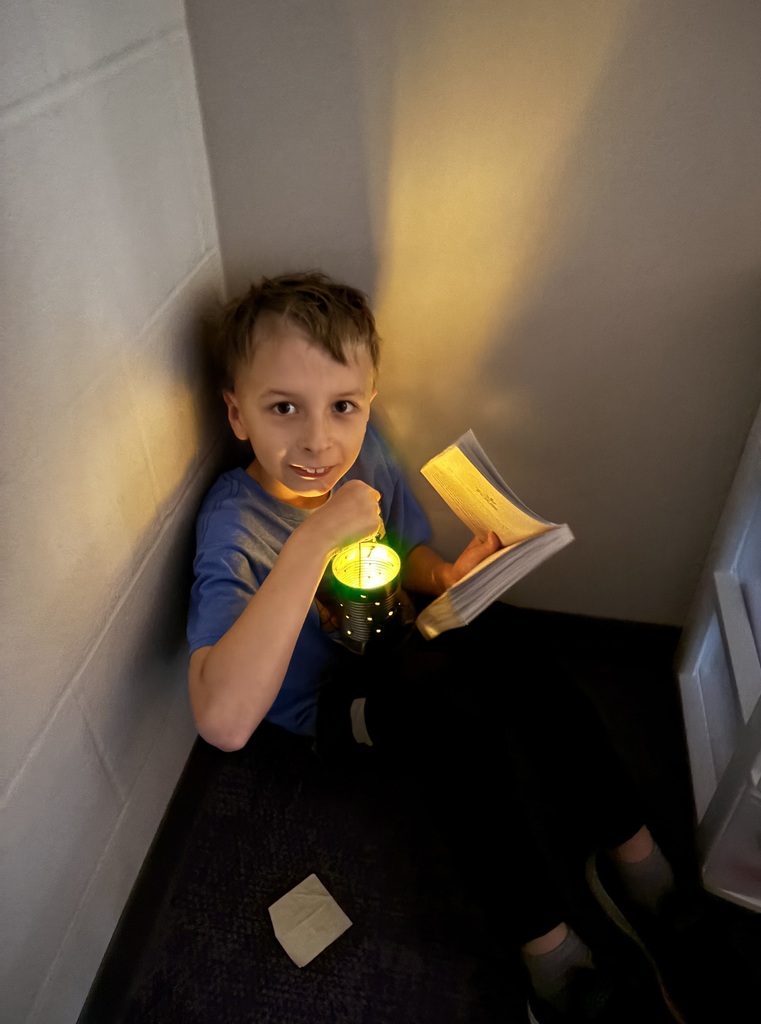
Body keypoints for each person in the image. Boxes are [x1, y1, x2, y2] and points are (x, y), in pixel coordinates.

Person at [186, 271, 703, 1023]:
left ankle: (630, 848)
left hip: (401, 633)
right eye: (283, 408)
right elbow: (224, 720)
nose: (318, 441)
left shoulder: (366, 456)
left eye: (343, 407)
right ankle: (547, 948)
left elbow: (409, 551)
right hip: (336, 705)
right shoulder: (234, 525)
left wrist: (449, 576)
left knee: (510, 636)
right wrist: (313, 539)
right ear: (237, 415)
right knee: (444, 720)